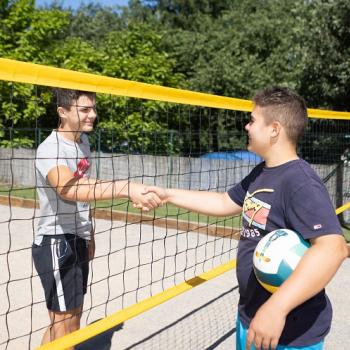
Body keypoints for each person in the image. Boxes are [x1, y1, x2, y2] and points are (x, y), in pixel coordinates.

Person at [142, 86, 348, 350]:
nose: (247, 127)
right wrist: (167, 194)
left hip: (288, 329)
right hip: (253, 316)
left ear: (274, 129)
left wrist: (276, 308)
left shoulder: (300, 181)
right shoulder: (263, 172)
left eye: (252, 120)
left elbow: (334, 248)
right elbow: (224, 202)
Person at [32, 88, 161, 347]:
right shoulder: (51, 149)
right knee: (65, 327)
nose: (93, 114)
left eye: (93, 108)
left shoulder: (83, 143)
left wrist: (88, 233)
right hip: (56, 241)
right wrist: (125, 188)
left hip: (77, 238)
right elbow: (70, 189)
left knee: (71, 322)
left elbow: (85, 193)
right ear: (63, 112)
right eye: (84, 109)